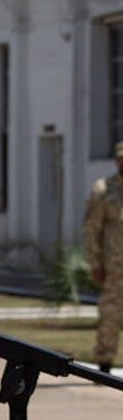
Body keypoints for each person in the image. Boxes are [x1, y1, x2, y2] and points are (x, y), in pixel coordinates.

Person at [85, 142, 123, 374]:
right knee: (110, 316)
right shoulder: (104, 190)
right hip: (114, 267)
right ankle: (105, 364)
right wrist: (95, 263)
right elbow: (92, 229)